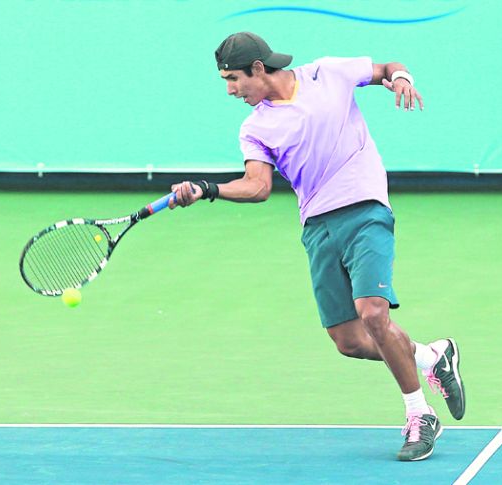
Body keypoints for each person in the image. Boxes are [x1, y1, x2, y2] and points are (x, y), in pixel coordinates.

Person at [168, 31, 465, 461]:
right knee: (349, 340)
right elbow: (257, 187)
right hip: (318, 226)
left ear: (257, 68)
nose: (231, 91)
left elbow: (384, 68)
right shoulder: (255, 126)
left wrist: (400, 77)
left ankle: (419, 416)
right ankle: (431, 356)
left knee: (373, 313)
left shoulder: (327, 73)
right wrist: (207, 189)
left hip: (365, 209)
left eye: (233, 80)